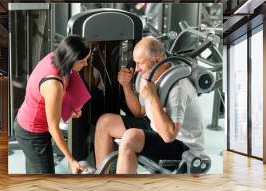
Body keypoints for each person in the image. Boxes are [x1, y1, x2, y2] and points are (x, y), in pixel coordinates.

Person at [94, 36, 204, 174]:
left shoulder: (178, 88)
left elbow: (169, 135)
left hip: (182, 146)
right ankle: (102, 180)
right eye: (136, 63)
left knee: (131, 138)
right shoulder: (150, 74)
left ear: (157, 59)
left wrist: (152, 97)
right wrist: (126, 86)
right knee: (105, 122)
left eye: (140, 63)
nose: (137, 69)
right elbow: (139, 112)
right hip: (156, 128)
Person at [14, 35, 91, 174]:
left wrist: (72, 107)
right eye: (83, 61)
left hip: (34, 126)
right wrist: (72, 160)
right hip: (32, 133)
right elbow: (53, 127)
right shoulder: (53, 85)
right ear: (71, 60)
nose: (86, 64)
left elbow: (65, 87)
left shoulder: (56, 57)